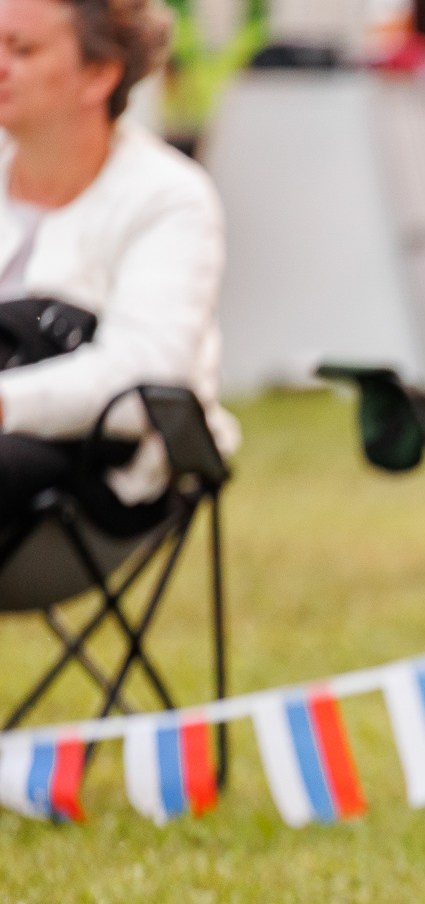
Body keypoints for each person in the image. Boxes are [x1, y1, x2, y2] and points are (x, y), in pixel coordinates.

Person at [0, 0, 236, 535]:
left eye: (22, 49)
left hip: (101, 478)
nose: (0, 65)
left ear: (100, 74)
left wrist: (6, 402)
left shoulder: (170, 198)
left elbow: (145, 378)